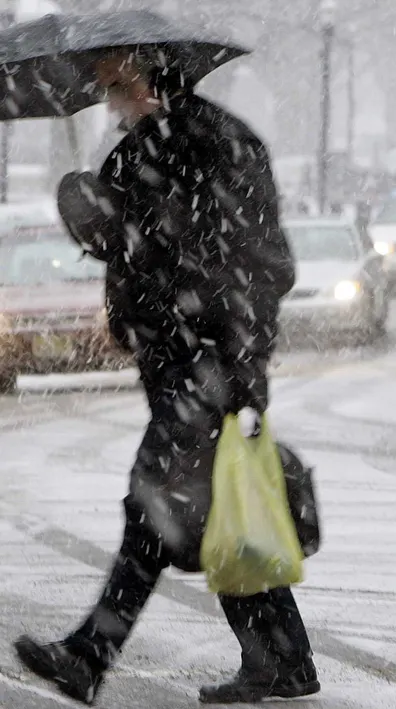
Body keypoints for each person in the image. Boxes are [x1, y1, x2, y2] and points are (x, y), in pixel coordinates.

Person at [13, 47, 319, 704]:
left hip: (209, 365)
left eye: (115, 80)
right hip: (176, 363)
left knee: (149, 508)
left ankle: (89, 654)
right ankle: (283, 659)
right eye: (102, 84)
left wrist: (236, 361)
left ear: (152, 76)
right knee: (216, 512)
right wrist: (87, 207)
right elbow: (120, 241)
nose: (105, 93)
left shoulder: (221, 144)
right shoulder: (138, 151)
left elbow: (269, 267)